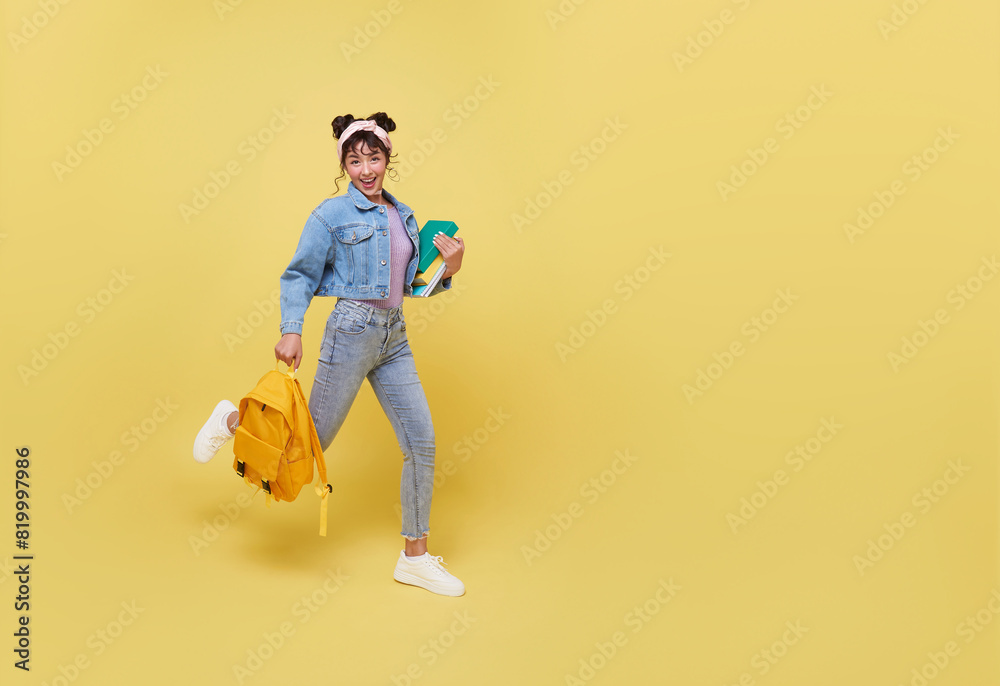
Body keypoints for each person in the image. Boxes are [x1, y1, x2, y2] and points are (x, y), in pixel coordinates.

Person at [192, 112, 467, 596]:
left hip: (394, 337)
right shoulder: (330, 215)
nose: (366, 169)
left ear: (387, 160)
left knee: (421, 444)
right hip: (351, 331)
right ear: (344, 163)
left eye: (374, 158)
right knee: (302, 450)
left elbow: (410, 286)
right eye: (355, 159)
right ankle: (232, 421)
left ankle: (415, 558)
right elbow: (298, 274)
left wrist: (450, 269)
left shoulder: (403, 215)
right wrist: (292, 330)